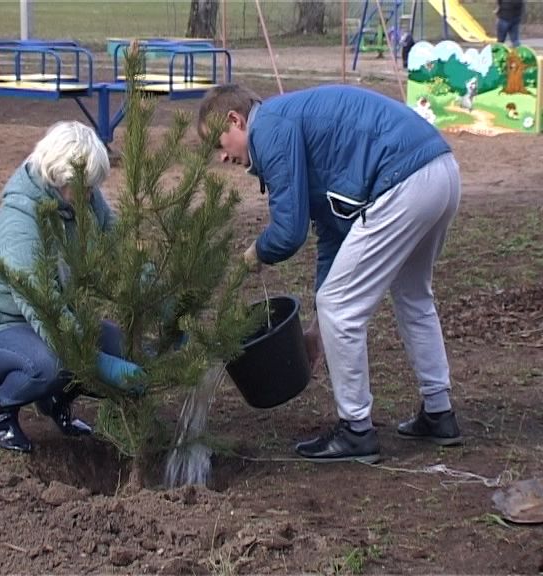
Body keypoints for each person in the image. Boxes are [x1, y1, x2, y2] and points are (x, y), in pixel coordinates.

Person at [198, 84, 462, 464]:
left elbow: (289, 232)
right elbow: (332, 232)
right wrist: (319, 330)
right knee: (412, 296)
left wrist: (254, 254)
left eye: (218, 144)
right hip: (440, 170)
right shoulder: (287, 121)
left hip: (403, 177)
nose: (222, 157)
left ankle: (356, 430)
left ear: (234, 119)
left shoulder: (269, 127)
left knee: (340, 305)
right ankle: (439, 413)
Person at [0, 121, 140, 453]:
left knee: (121, 345)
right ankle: (4, 408)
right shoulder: (20, 220)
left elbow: (119, 246)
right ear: (58, 178)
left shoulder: (81, 195)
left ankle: (55, 399)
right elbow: (43, 305)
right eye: (85, 188)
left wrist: (159, 294)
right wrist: (100, 364)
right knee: (54, 363)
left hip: (53, 315)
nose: (91, 197)